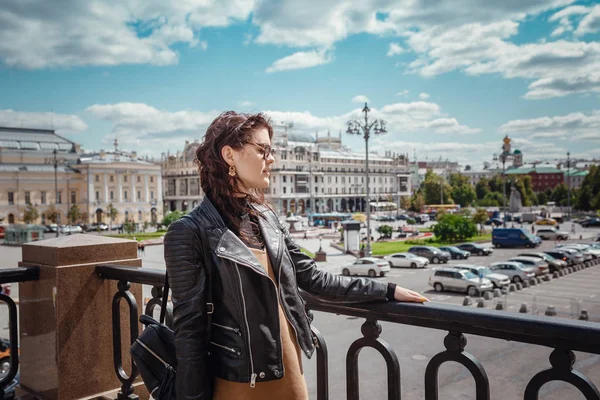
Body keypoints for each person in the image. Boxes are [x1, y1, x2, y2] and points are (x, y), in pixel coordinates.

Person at [164, 111, 428, 400]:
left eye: (272, 151)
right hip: (238, 381)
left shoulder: (266, 218)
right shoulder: (189, 231)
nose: (272, 159)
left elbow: (313, 279)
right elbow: (189, 332)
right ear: (229, 155)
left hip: (289, 371)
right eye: (263, 150)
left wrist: (387, 289)